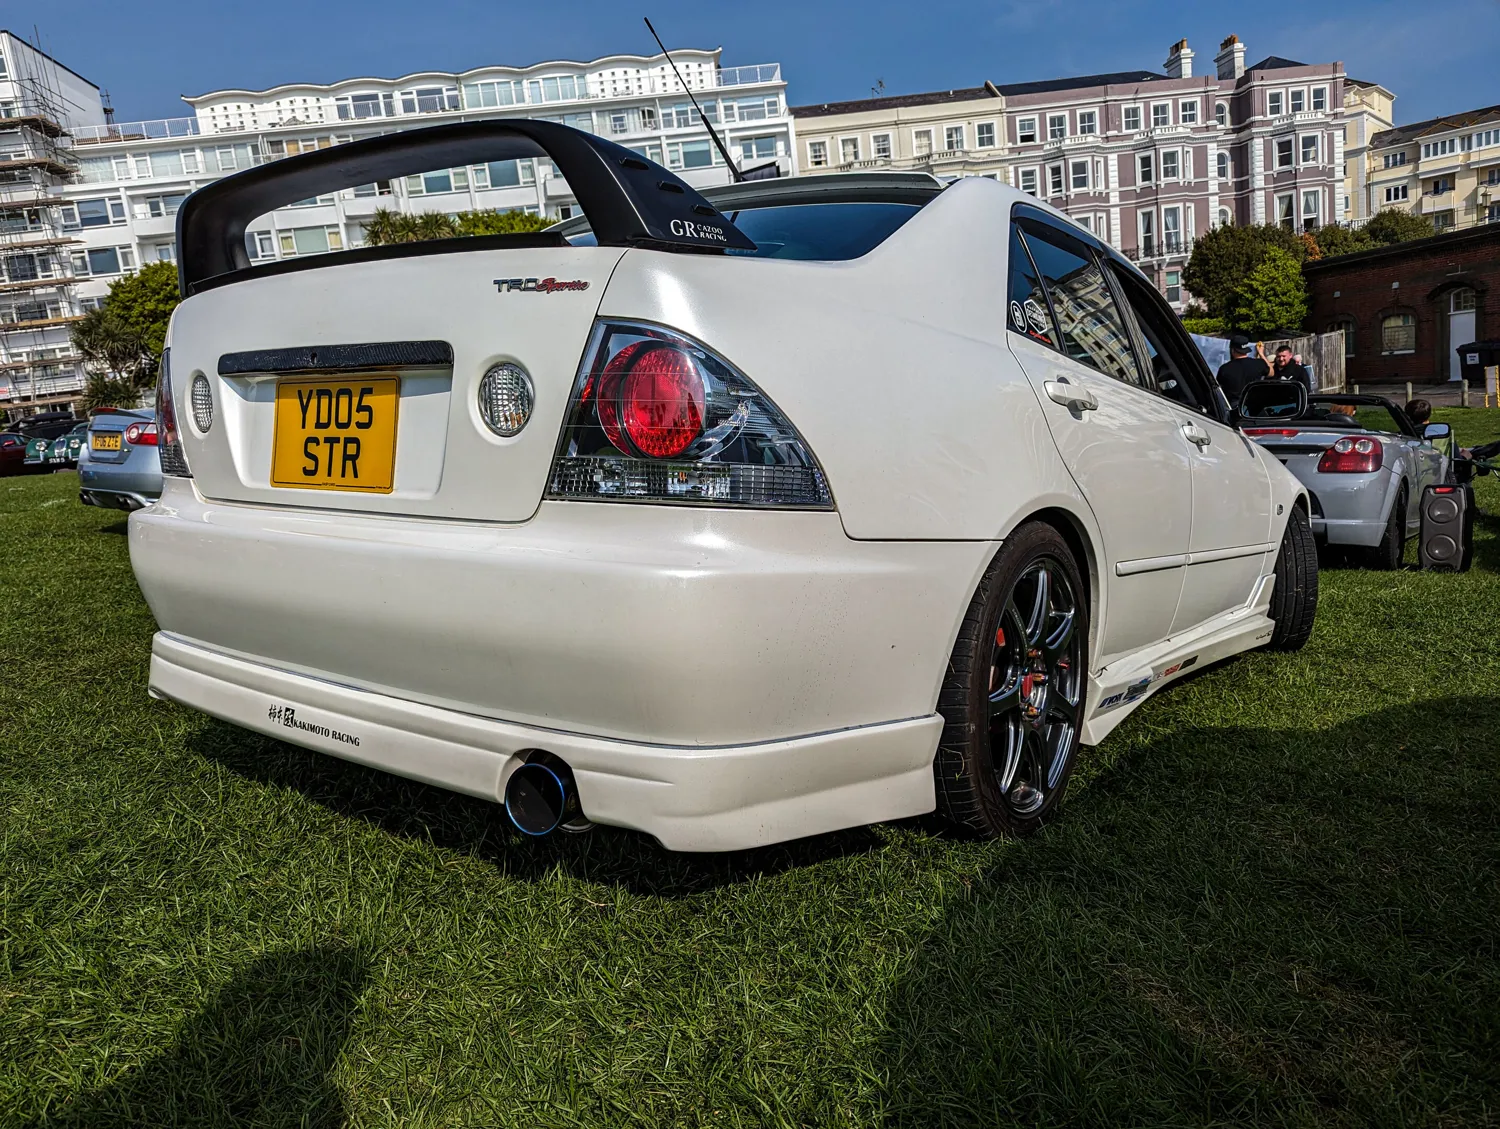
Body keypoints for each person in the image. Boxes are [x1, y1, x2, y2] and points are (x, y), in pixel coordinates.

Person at [1216, 335, 1271, 405]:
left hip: (1234, 406)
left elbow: (1218, 389)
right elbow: (1271, 373)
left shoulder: (1224, 369)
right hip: (1255, 405)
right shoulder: (1259, 363)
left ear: (1232, 350)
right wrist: (1261, 354)